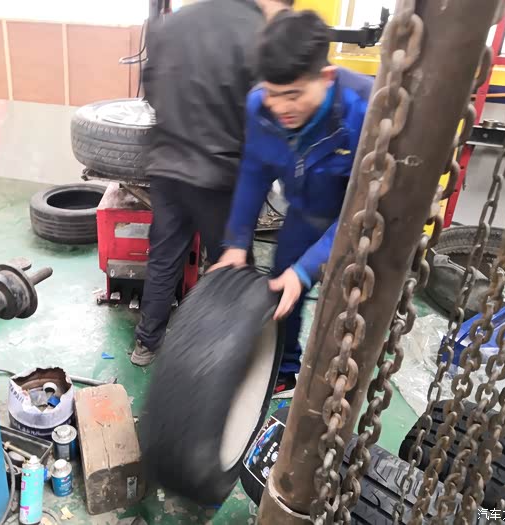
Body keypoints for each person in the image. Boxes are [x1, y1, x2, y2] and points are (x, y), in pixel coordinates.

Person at [212, 10, 374, 398]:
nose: (280, 106)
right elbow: (254, 172)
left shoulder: (365, 111)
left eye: (294, 95)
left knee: (349, 312)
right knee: (283, 293)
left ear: (327, 77)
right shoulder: (261, 106)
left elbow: (364, 210)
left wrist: (307, 269)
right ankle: (285, 369)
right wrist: (237, 242)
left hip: (363, 227)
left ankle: (338, 389)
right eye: (272, 92)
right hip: (303, 215)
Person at [131, 0, 294, 366]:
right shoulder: (259, 30)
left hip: (167, 164)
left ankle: (147, 342)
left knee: (164, 257)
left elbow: (151, 89)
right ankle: (219, 359)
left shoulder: (174, 22)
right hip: (222, 176)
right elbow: (266, 109)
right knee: (229, 266)